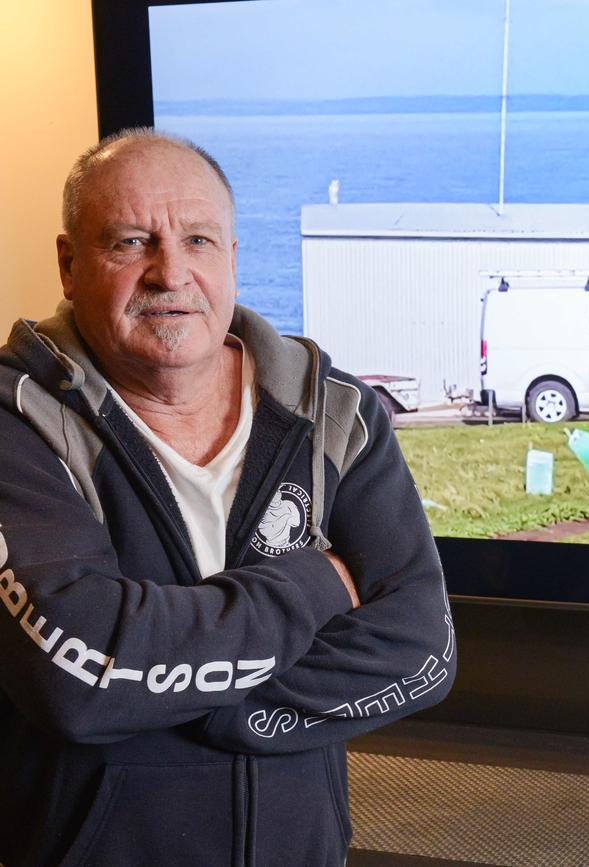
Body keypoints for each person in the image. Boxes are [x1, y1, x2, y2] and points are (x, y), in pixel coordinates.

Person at [0, 129, 456, 867]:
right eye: (129, 242)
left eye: (200, 240)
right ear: (69, 265)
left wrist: (199, 704)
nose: (169, 272)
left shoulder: (335, 415)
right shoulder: (17, 421)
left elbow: (421, 649)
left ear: (234, 260)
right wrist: (315, 581)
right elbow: (77, 675)